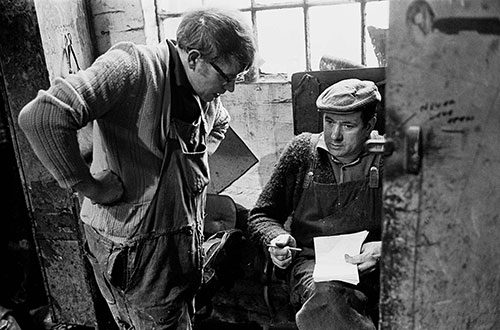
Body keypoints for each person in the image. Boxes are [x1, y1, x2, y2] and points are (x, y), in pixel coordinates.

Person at [18, 7, 255, 330]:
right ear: (195, 58)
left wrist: (188, 173)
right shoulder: (131, 67)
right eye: (226, 77)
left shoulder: (204, 93)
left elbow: (219, 123)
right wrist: (90, 187)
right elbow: (42, 117)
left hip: (177, 246)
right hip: (134, 251)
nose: (229, 88)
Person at [248, 78, 383, 330]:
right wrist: (276, 238)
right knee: (329, 298)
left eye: (348, 125)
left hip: (372, 268)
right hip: (313, 266)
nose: (335, 135)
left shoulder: (389, 159)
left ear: (370, 125)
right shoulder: (302, 152)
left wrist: (384, 249)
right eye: (329, 122)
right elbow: (262, 214)